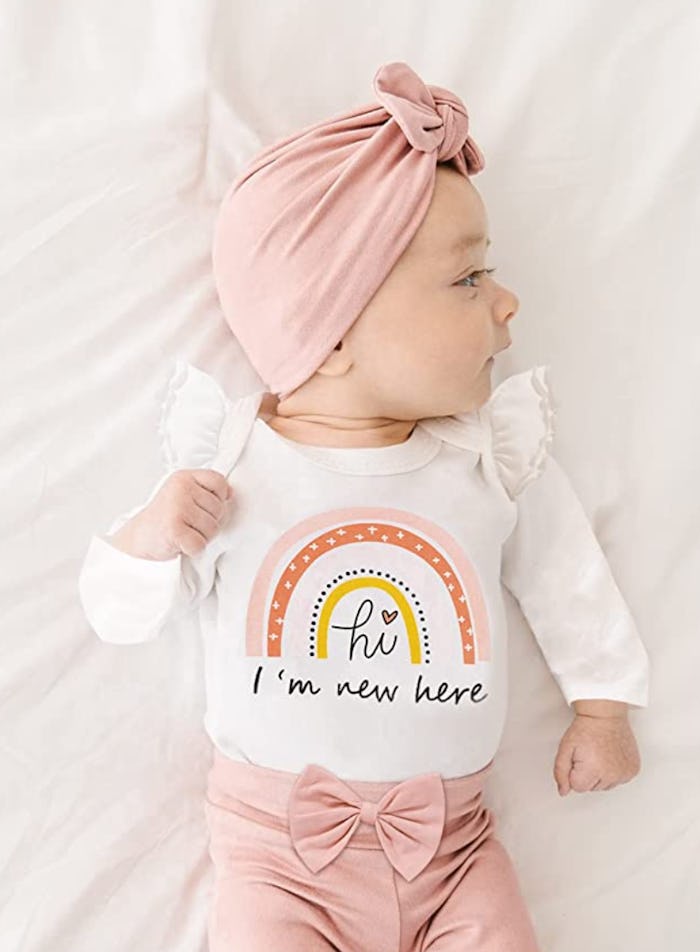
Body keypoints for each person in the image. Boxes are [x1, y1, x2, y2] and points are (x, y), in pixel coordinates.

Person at [78, 61, 650, 951]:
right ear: (333, 334)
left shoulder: (486, 459)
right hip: (280, 857)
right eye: (467, 281)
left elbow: (567, 573)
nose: (507, 302)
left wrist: (603, 706)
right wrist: (153, 538)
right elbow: (115, 617)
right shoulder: (230, 464)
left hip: (457, 849)